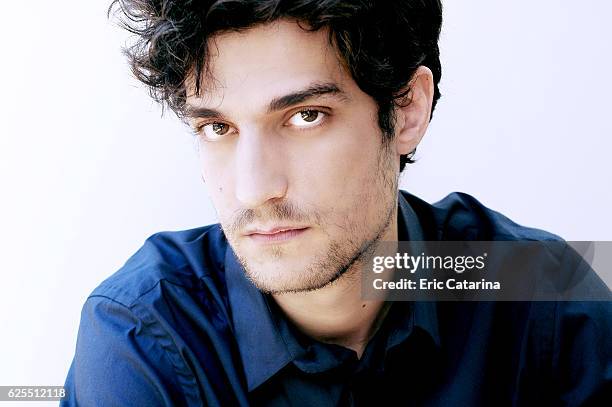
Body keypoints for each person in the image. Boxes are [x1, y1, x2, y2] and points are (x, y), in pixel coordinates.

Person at [62, 1, 611, 405]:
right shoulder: (143, 332)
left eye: (306, 116)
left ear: (406, 111)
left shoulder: (539, 291)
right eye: (217, 126)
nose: (255, 188)